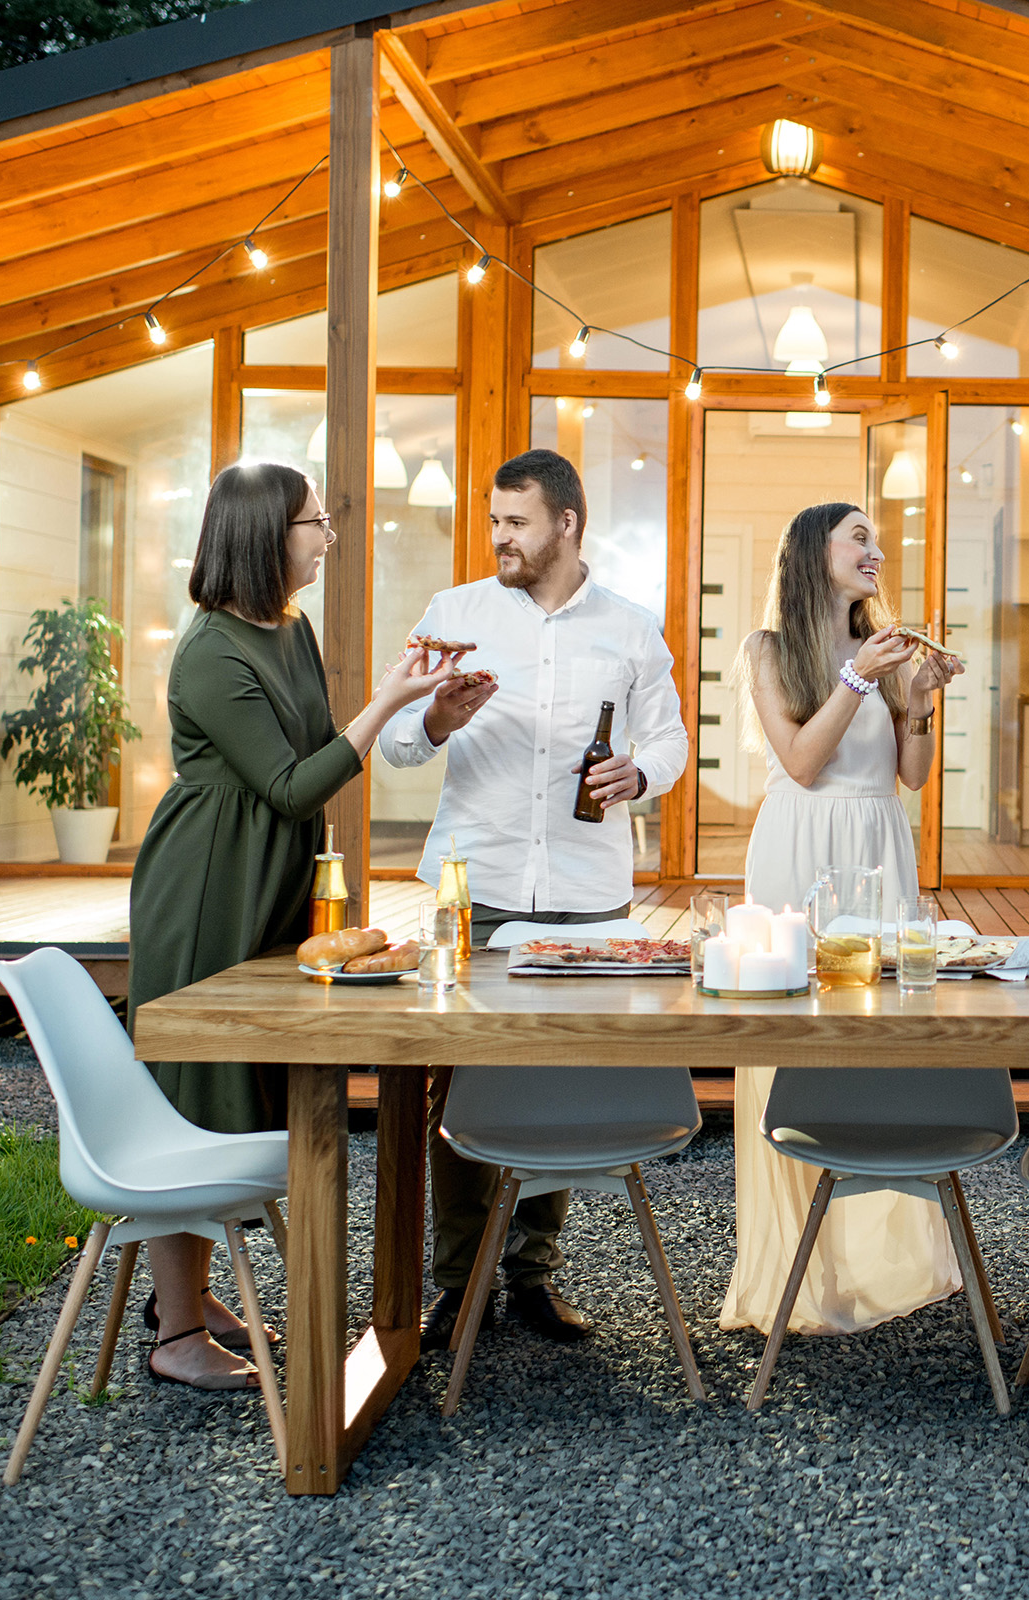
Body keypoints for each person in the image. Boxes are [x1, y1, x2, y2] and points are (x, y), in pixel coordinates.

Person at [129, 461, 455, 1390]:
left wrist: (412, 701)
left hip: (270, 881)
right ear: (266, 534)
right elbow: (289, 784)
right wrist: (386, 699)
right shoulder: (210, 652)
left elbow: (315, 754)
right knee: (198, 1094)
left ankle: (182, 1302)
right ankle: (176, 1335)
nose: (328, 536)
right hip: (208, 887)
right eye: (316, 522)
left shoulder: (291, 627)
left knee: (253, 1089)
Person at [377, 449, 688, 1351]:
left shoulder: (630, 629)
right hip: (475, 890)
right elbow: (395, 741)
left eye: (516, 521)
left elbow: (667, 741)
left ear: (567, 524)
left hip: (586, 894)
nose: (498, 537)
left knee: (556, 1078)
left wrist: (640, 773)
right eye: (493, 520)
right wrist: (438, 719)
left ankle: (530, 1277)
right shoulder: (454, 616)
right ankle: (452, 1282)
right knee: (457, 1083)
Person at [720, 501, 964, 1336]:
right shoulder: (768, 651)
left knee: (881, 1031)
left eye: (876, 538)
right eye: (859, 536)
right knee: (793, 1040)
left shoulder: (888, 649)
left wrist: (922, 699)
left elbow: (912, 775)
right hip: (798, 844)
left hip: (874, 838)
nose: (877, 549)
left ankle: (880, 1258)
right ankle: (795, 1265)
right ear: (811, 550)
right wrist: (859, 675)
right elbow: (799, 759)